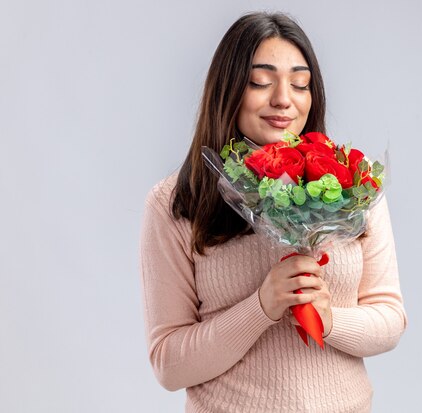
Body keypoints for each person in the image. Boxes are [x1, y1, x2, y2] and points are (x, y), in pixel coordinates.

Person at [139, 11, 407, 413]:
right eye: (260, 82)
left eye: (300, 84)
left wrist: (329, 318)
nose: (284, 99)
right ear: (228, 90)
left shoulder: (353, 186)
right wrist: (262, 306)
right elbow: (169, 366)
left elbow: (390, 319)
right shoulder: (175, 202)